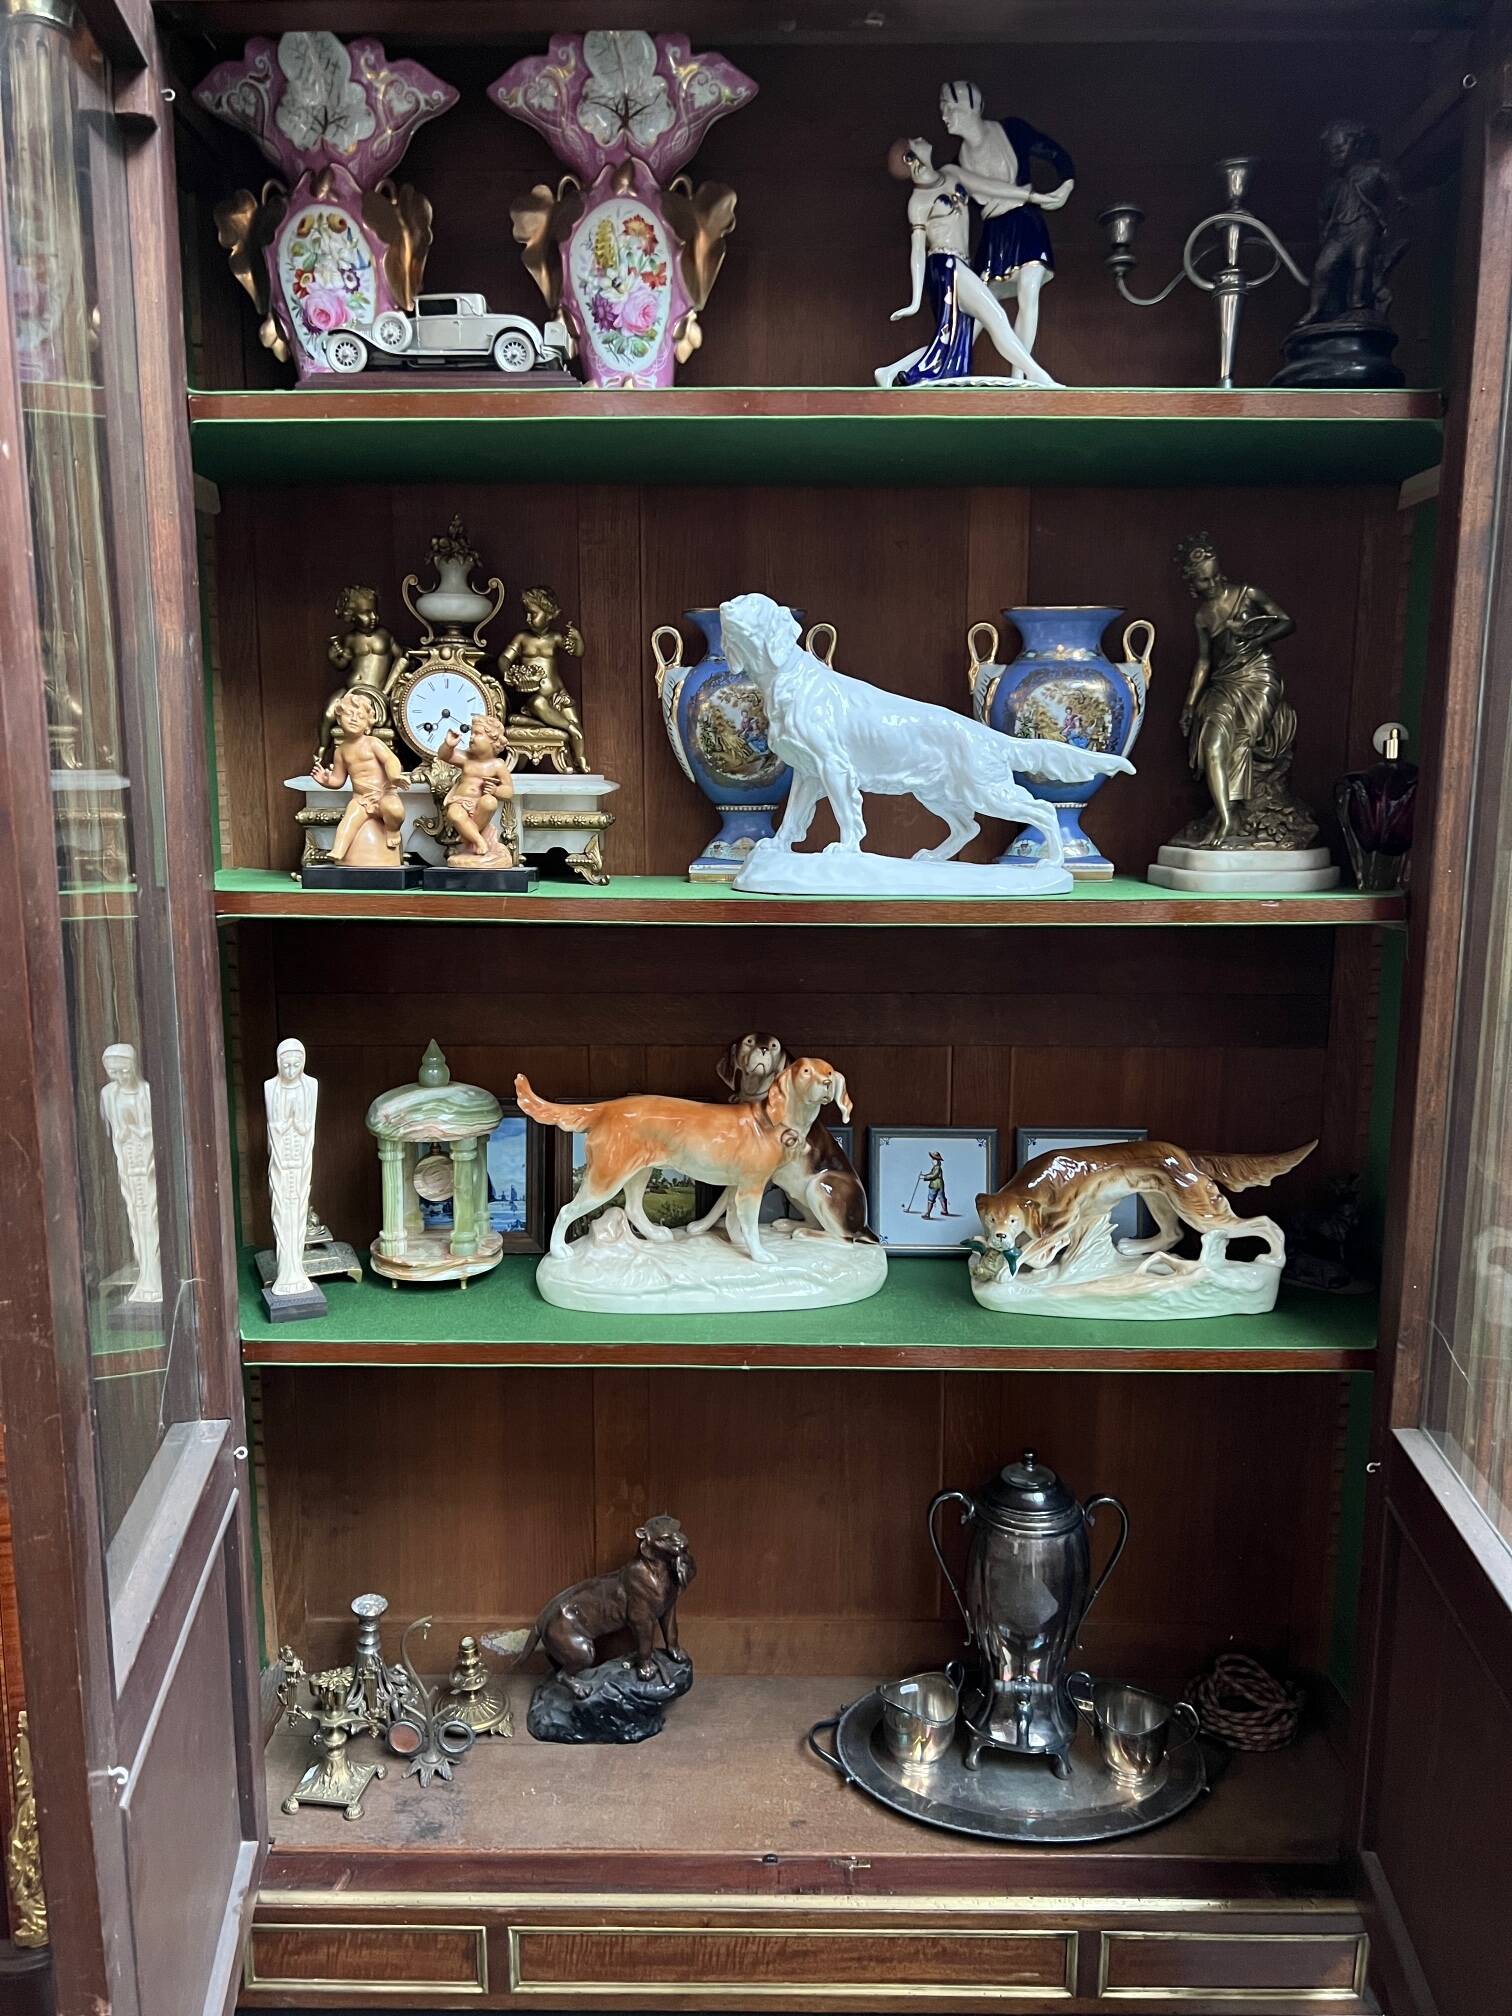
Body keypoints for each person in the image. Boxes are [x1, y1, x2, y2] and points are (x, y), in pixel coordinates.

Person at [876, 138, 1054, 389]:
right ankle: (1037, 375)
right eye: (915, 142)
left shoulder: (951, 173)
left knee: (953, 341)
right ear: (910, 159)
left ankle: (890, 371)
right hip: (945, 265)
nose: (921, 140)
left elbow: (990, 187)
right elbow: (917, 252)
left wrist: (1030, 196)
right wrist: (915, 302)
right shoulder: (918, 202)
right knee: (996, 317)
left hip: (960, 264)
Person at [1175, 534, 1306, 848]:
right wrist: (1190, 704)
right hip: (1225, 681)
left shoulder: (1248, 594)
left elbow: (1287, 623)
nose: (1213, 583)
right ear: (1193, 584)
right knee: (1212, 742)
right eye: (1205, 581)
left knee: (1242, 739)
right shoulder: (1202, 616)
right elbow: (1204, 661)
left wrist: (1254, 637)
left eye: (1215, 575)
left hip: (1259, 675)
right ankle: (1226, 816)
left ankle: (1235, 814)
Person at [939, 80, 1074, 360]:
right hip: (994, 232)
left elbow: (1053, 152)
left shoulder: (1011, 131)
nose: (944, 116)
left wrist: (1067, 183)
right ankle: (949, 363)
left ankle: (1021, 374)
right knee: (980, 306)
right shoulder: (957, 164)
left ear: (970, 107)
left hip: (1025, 221)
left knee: (1029, 290)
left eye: (950, 108)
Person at [312, 689, 409, 866]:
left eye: (360, 716)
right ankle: (339, 850)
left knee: (394, 809)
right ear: (339, 719)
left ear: (368, 725)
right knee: (349, 820)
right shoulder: (341, 751)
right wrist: (326, 781)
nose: (354, 719)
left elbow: (390, 760)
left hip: (383, 794)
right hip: (361, 799)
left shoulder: (373, 743)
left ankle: (393, 830)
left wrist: (394, 776)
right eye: (349, 714)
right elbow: (338, 779)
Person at [498, 587, 589, 772]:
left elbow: (577, 652)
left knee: (578, 730)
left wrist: (578, 639)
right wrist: (506, 672)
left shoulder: (555, 638)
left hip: (559, 695)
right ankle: (565, 727)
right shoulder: (522, 638)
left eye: (533, 614)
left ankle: (580, 761)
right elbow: (504, 658)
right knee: (541, 706)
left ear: (549, 615)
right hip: (536, 697)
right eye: (526, 613)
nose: (528, 618)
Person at [266, 1039, 318, 1300]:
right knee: (282, 1211)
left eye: (295, 1065)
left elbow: (307, 1128)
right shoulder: (271, 1087)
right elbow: (275, 1127)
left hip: (300, 1160)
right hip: (282, 1161)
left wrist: (296, 1122)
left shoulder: (310, 1086)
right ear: (278, 1063)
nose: (290, 1070)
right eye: (285, 1065)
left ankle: (297, 1270)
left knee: (298, 1209)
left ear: (303, 1062)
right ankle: (285, 1272)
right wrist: (287, 1123)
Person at [436, 713, 517, 864]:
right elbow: (444, 756)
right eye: (471, 733)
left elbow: (508, 791)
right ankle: (478, 840)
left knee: (490, 802)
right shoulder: (466, 758)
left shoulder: (497, 765)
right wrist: (448, 745)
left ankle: (468, 835)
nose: (471, 737)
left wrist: (495, 791)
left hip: (480, 805)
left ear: (493, 740)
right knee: (454, 813)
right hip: (460, 801)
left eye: (477, 734)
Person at [920, 1149, 952, 1219]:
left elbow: (934, 1175)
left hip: (934, 1185)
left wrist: (925, 1177)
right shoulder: (936, 1168)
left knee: (931, 1198)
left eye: (933, 1159)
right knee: (941, 1197)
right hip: (940, 1185)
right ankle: (944, 1210)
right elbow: (931, 1174)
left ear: (937, 1161)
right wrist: (924, 1175)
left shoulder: (937, 1168)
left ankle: (928, 1213)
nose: (932, 1160)